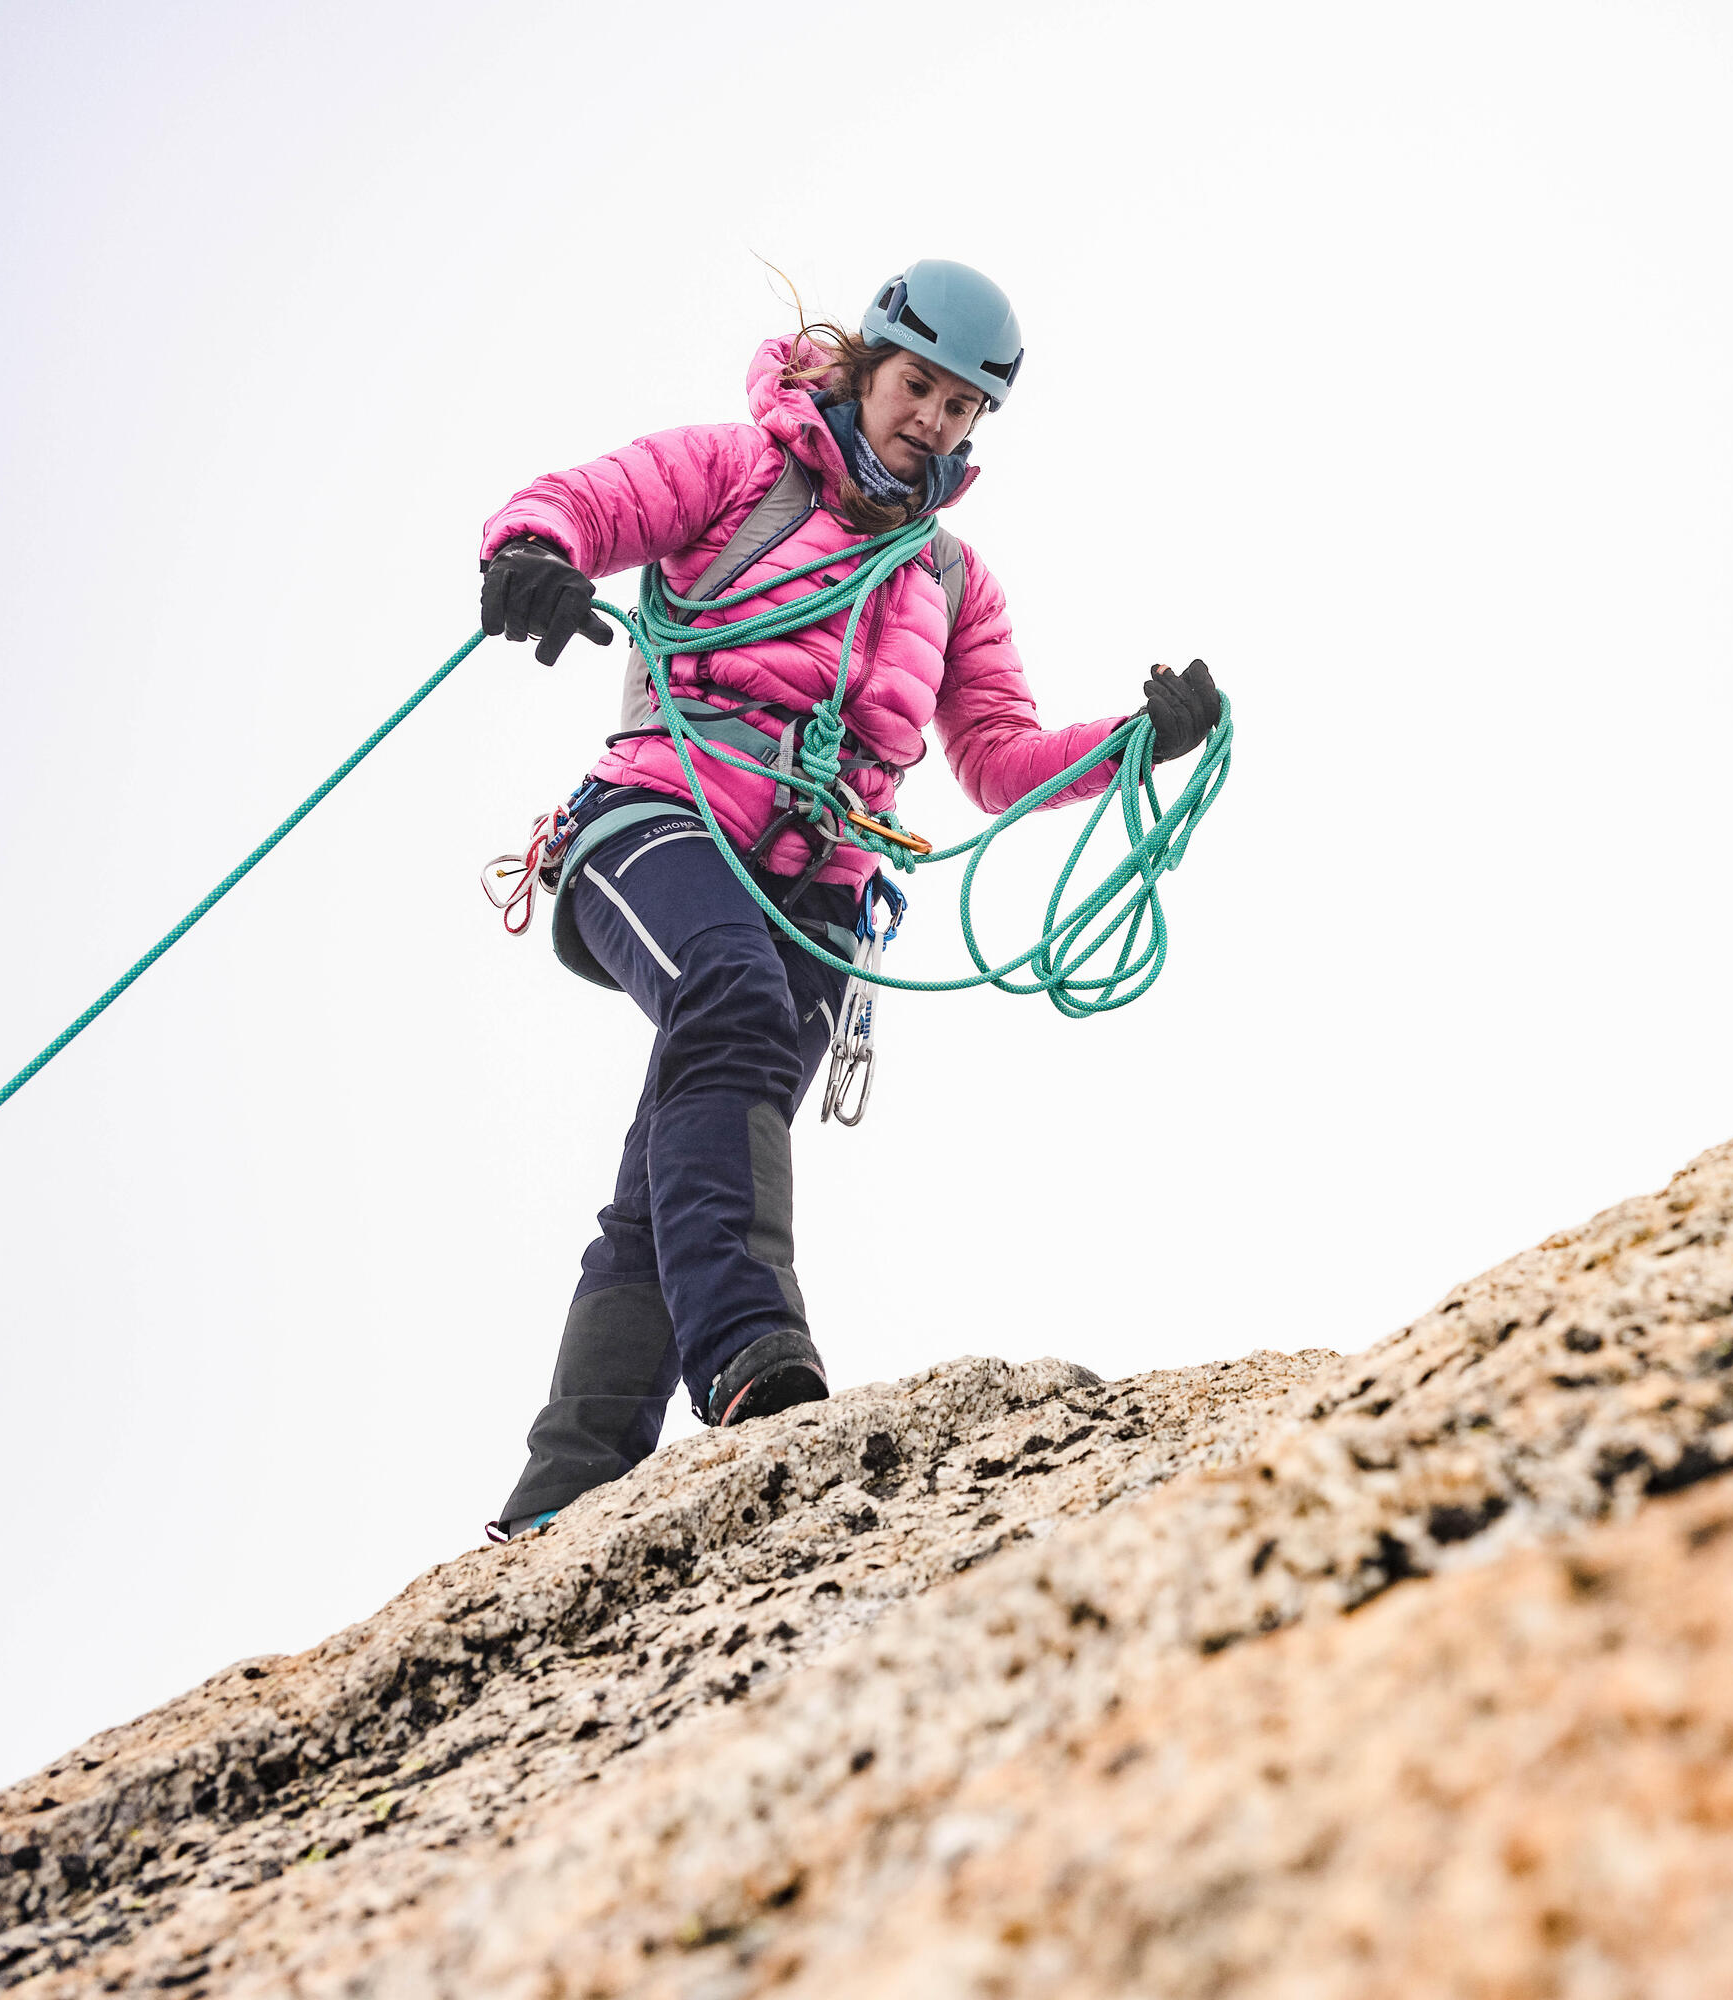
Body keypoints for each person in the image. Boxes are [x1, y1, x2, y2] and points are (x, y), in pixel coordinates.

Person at [473, 260, 1220, 1539]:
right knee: (732, 1004)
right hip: (655, 823)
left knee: (673, 1180)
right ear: (868, 367)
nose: (932, 417)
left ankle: (560, 1497)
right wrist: (533, 554)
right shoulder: (741, 469)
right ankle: (759, 1361)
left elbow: (993, 754)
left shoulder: (949, 581)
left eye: (962, 405)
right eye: (917, 384)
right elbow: (584, 502)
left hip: (815, 890)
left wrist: (1133, 744)